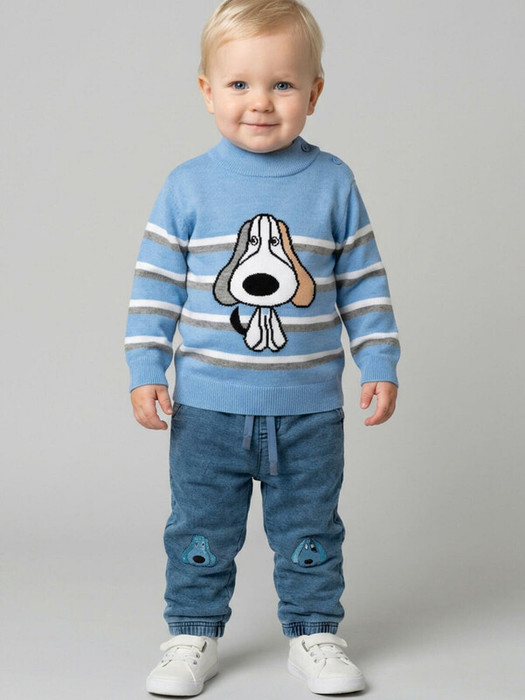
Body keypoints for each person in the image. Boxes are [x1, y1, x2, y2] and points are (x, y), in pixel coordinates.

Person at [125, 0, 400, 695]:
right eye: (240, 84)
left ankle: (313, 634)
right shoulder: (187, 185)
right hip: (206, 412)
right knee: (199, 529)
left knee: (311, 529)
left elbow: (363, 283)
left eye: (282, 84)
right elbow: (154, 289)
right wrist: (145, 368)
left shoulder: (332, 182)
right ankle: (192, 633)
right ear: (206, 90)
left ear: (314, 92)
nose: (260, 102)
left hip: (309, 411)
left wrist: (378, 361)